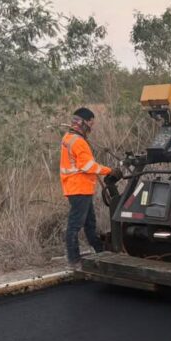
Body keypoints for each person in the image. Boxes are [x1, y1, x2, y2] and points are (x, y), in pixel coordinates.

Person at [59, 107, 113, 270]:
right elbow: (87, 165)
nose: (92, 126)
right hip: (79, 188)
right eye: (91, 122)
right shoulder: (79, 141)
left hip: (78, 188)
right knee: (75, 225)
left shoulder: (68, 137)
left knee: (90, 223)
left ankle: (101, 252)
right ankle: (74, 261)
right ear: (84, 122)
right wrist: (110, 171)